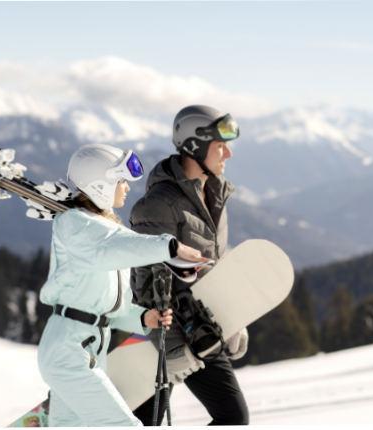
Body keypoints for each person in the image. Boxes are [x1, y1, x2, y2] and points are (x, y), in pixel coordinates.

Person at [36, 143, 209, 428]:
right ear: (100, 184)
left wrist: (142, 317)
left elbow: (105, 306)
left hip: (89, 348)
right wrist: (170, 247)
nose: (128, 188)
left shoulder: (103, 230)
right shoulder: (74, 226)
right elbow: (119, 247)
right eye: (121, 181)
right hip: (68, 350)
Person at [130, 105, 250, 427]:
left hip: (203, 329)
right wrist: (171, 352)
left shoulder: (213, 192)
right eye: (220, 145)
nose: (229, 154)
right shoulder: (159, 205)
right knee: (147, 422)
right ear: (194, 146)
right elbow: (145, 282)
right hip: (171, 333)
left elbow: (214, 268)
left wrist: (231, 320)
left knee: (232, 418)